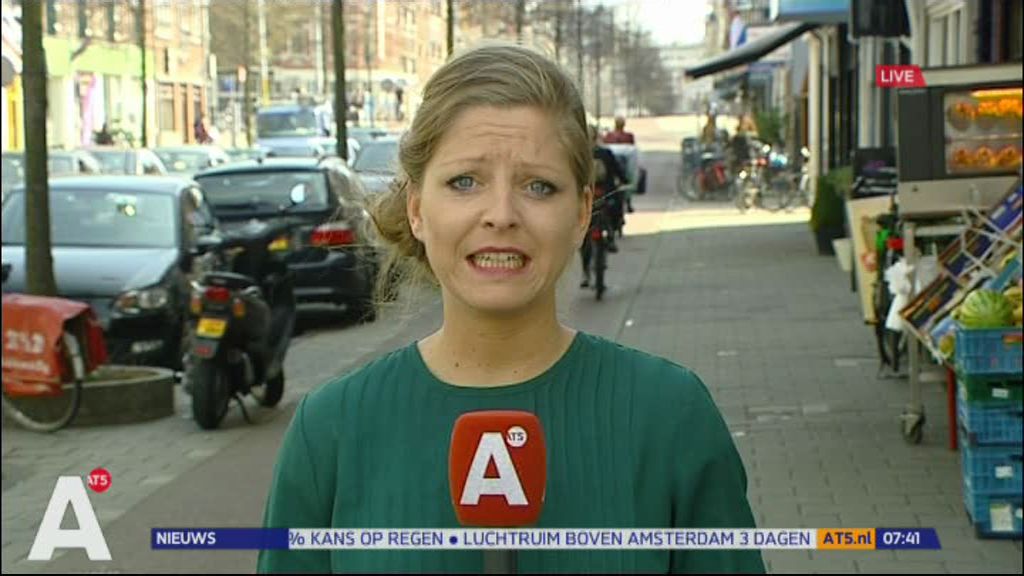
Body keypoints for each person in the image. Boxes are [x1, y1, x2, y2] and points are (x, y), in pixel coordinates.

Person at [257, 42, 764, 575]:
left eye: (539, 186)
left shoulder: (671, 415)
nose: (501, 214)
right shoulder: (331, 430)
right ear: (417, 209)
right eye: (464, 182)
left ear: (581, 213)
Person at [581, 124, 626, 290]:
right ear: (596, 137)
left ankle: (585, 272)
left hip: (584, 199)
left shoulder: (578, 156)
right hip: (606, 196)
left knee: (583, 237)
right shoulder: (606, 153)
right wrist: (625, 180)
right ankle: (612, 234)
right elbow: (618, 172)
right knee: (616, 206)